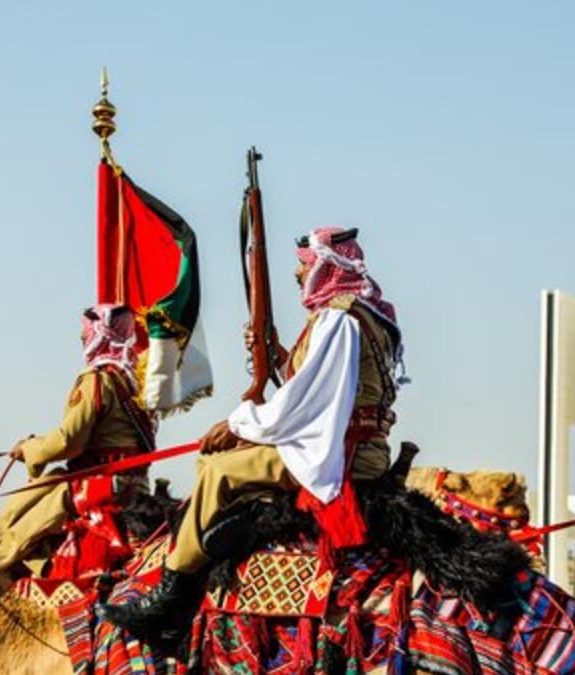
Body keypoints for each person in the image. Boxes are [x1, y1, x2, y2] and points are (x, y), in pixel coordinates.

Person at [103, 226, 405, 641]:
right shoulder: (362, 316)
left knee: (217, 471)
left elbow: (305, 400)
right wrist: (275, 353)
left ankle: (172, 592)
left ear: (326, 266)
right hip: (352, 443)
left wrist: (237, 424)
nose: (299, 275)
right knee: (225, 468)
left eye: (305, 266)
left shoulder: (338, 319)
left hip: (343, 453)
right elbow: (318, 387)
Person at [0, 303, 159, 578]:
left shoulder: (96, 381)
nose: (83, 339)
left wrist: (28, 449)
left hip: (98, 485)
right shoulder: (136, 383)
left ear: (100, 334)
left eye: (85, 333)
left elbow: (68, 442)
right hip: (136, 485)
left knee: (11, 527)